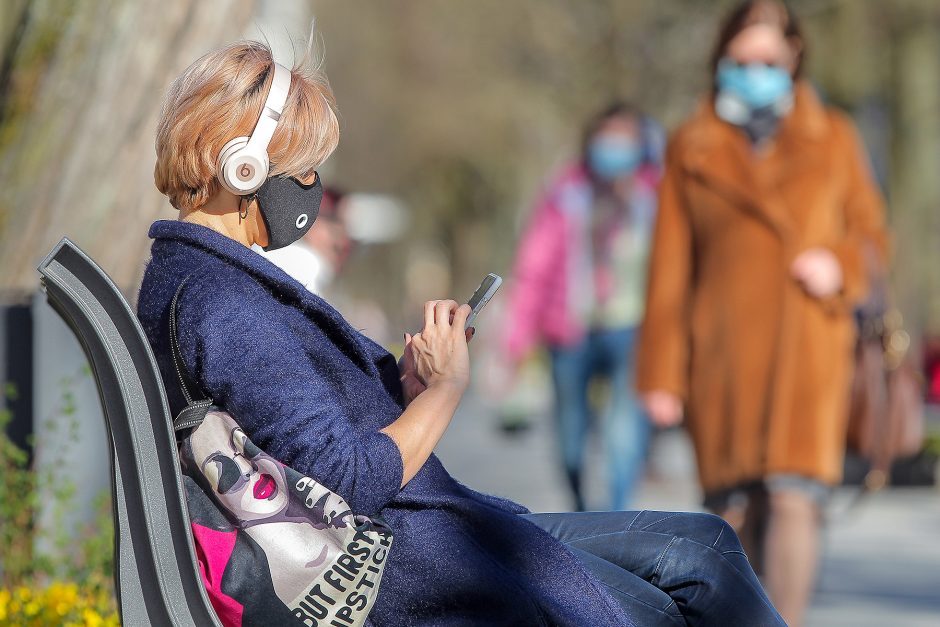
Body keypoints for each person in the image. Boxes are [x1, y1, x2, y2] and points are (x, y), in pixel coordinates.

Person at [137, 40, 785, 625]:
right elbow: (350, 477)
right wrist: (445, 391)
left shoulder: (196, 279)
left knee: (704, 545)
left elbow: (293, 431)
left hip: (416, 533)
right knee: (674, 591)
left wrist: (405, 382)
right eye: (303, 169)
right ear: (244, 169)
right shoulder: (225, 304)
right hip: (403, 561)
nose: (313, 187)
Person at [636, 2, 888, 625]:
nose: (756, 72)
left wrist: (840, 264)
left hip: (809, 347)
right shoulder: (691, 146)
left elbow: (874, 239)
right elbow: (670, 269)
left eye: (768, 61)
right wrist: (660, 375)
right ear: (721, 60)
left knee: (795, 495)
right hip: (722, 355)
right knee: (731, 513)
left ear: (795, 56)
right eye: (743, 61)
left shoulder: (834, 136)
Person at [503, 103, 662, 511]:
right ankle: (580, 503)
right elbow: (533, 269)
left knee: (623, 432)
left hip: (633, 329)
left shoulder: (655, 196)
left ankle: (618, 514)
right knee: (570, 438)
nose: (614, 149)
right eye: (607, 139)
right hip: (569, 329)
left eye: (624, 141)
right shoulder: (565, 194)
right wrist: (515, 343)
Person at [254, 186, 352, 295]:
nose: (342, 244)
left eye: (346, 234)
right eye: (334, 232)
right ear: (311, 223)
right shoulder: (306, 263)